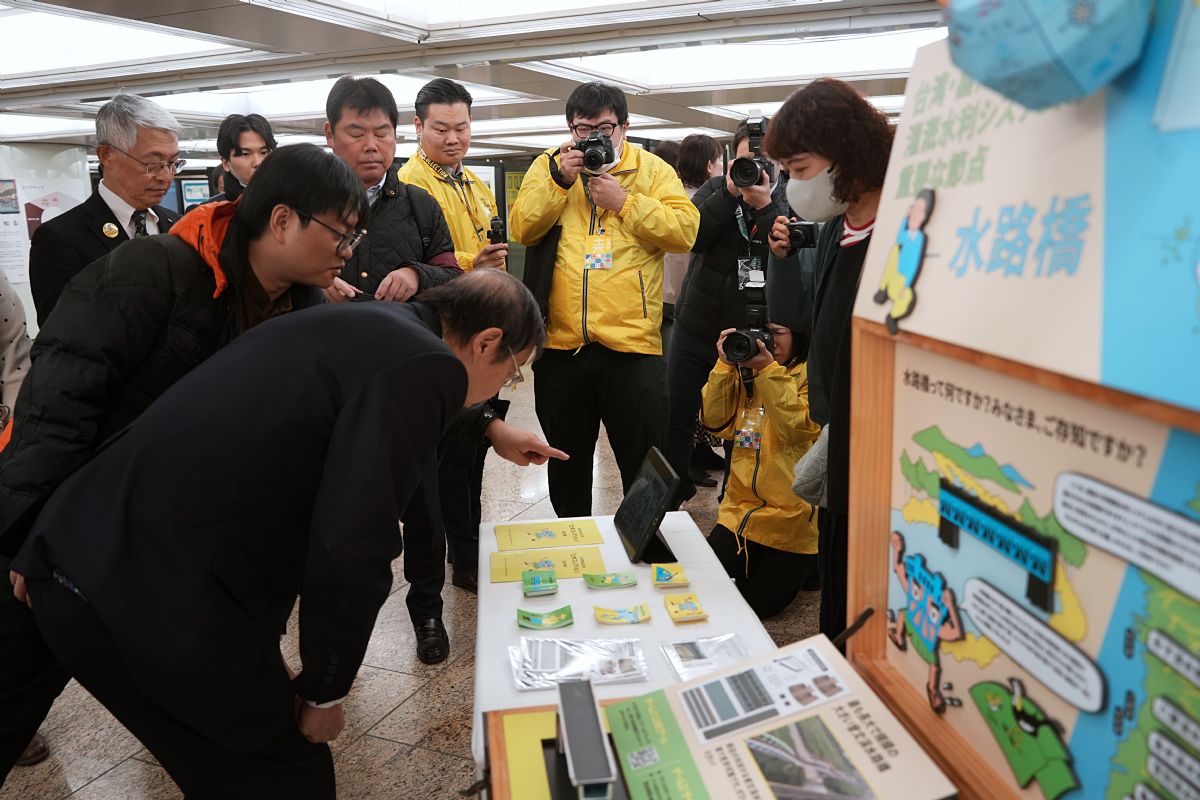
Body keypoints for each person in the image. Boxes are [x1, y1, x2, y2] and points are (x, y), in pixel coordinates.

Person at [6, 270, 546, 797]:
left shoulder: (379, 324)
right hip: (144, 588)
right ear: (486, 341)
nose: (504, 388)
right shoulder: (429, 364)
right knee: (283, 774)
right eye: (513, 373)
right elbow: (354, 541)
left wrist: (486, 427)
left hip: (91, 548)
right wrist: (325, 688)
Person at [0, 143, 370, 783]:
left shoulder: (305, 309)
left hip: (172, 555)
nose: (347, 253)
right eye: (341, 234)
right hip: (67, 533)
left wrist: (480, 422)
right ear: (282, 220)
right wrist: (30, 538)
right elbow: (56, 408)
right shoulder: (154, 272)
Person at [510, 81, 699, 516]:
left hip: (633, 349)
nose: (594, 137)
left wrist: (626, 203)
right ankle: (574, 548)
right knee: (566, 465)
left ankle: (644, 554)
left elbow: (685, 232)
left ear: (625, 127)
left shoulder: (651, 171)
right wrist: (559, 181)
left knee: (644, 469)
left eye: (605, 127)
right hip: (561, 348)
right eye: (582, 128)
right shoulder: (549, 167)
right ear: (569, 129)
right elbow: (523, 229)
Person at [764, 78, 894, 643]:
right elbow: (813, 321)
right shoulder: (840, 226)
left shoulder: (901, 228)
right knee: (838, 593)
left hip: (885, 446)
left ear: (849, 152)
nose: (792, 185)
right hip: (841, 430)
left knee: (868, 594)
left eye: (799, 168)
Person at [397, 78, 506, 594]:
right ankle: (460, 557)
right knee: (449, 458)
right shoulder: (410, 189)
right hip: (443, 338)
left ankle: (468, 548)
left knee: (474, 453)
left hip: (482, 332)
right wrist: (472, 265)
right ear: (418, 127)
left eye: (461, 127)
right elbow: (414, 268)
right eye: (440, 128)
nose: (453, 138)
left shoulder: (472, 182)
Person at [668, 122, 791, 506]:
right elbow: (691, 235)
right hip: (696, 327)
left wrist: (765, 206)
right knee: (674, 417)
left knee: (745, 425)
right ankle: (668, 497)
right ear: (729, 158)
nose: (754, 167)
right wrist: (729, 193)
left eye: (763, 160)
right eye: (745, 159)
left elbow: (786, 258)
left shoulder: (788, 196)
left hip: (751, 334)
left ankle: (734, 502)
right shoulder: (715, 189)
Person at [700, 293, 820, 619]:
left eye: (777, 332)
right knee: (702, 594)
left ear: (800, 334)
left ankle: (812, 566)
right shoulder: (744, 370)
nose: (767, 341)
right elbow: (714, 422)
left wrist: (768, 371)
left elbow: (797, 428)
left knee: (756, 608)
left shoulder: (813, 375)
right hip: (738, 514)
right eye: (763, 331)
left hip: (790, 523)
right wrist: (725, 365)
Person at [29, 93, 183, 325]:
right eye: (153, 164)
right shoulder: (62, 239)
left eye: (172, 163)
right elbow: (62, 336)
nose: (165, 176)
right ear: (106, 155)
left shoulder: (179, 224)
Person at [322, 76, 461, 303]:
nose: (371, 146)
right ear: (330, 134)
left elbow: (454, 277)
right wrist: (314, 283)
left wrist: (417, 275)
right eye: (357, 134)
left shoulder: (421, 205)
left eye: (381, 134)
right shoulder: (302, 202)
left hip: (402, 336)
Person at [202, 113, 277, 204]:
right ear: (226, 163)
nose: (258, 162)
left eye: (264, 152)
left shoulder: (291, 202)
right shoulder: (211, 213)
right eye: (245, 154)